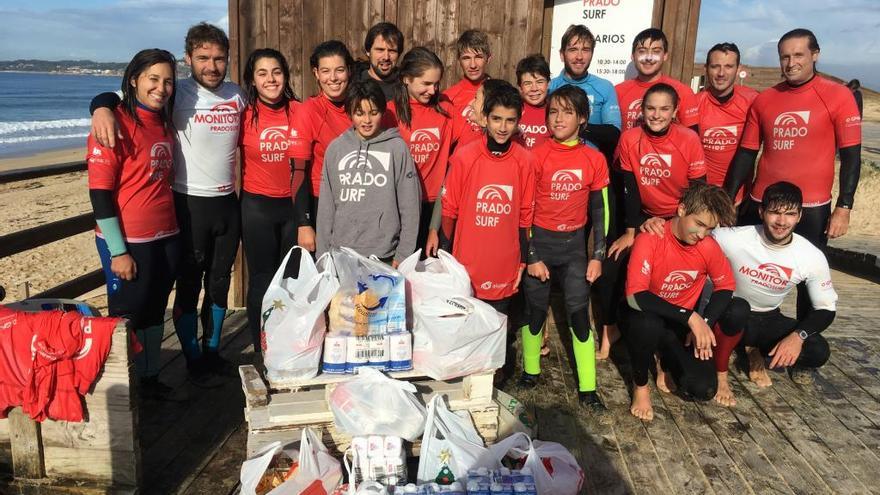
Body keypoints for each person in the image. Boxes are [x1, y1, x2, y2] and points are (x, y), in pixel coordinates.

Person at [90, 23, 246, 372]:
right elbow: (125, 99)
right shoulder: (176, 94)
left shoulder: (239, 95)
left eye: (219, 59)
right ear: (189, 58)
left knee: (219, 284)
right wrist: (100, 107)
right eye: (203, 58)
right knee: (188, 287)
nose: (212, 66)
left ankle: (212, 352)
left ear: (228, 60)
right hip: (188, 205)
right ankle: (190, 360)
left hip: (226, 204)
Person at [723, 28, 861, 319]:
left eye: (798, 54)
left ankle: (801, 340)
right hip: (762, 203)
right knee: (746, 272)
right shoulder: (765, 100)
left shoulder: (838, 96)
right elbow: (747, 153)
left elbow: (851, 156)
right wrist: (728, 198)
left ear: (815, 54)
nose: (791, 62)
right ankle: (745, 338)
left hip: (810, 207)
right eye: (784, 56)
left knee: (808, 281)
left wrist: (844, 207)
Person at [87, 49, 180, 398]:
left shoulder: (164, 120)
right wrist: (118, 250)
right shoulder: (113, 123)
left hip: (167, 234)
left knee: (156, 310)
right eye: (153, 79)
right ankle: (123, 389)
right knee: (127, 317)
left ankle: (151, 379)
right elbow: (99, 195)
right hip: (129, 239)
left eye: (168, 80)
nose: (161, 87)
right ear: (134, 80)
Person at [621, 183, 747, 421]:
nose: (702, 234)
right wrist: (691, 317)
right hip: (647, 316)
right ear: (681, 210)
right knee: (647, 324)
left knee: (702, 389)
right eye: (698, 224)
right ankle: (640, 386)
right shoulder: (651, 237)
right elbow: (635, 296)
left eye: (709, 228)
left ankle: (663, 360)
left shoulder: (707, 246)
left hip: (679, 327)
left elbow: (726, 286)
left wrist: (705, 322)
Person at [599, 84, 707, 362]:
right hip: (644, 216)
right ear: (642, 110)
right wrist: (631, 231)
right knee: (611, 266)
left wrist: (675, 225)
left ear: (675, 111)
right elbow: (629, 188)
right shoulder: (630, 138)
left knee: (676, 272)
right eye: (650, 108)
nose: (656, 115)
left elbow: (698, 192)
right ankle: (611, 329)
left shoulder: (688, 140)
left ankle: (673, 337)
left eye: (663, 109)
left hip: (680, 218)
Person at [519, 85, 609, 413]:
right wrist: (530, 256)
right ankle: (531, 372)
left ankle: (588, 388)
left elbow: (601, 211)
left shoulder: (593, 158)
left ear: (582, 118)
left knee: (577, 315)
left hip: (574, 250)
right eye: (553, 111)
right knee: (535, 312)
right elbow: (523, 209)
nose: (558, 118)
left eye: (567, 112)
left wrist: (598, 256)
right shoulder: (535, 155)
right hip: (540, 245)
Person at [439, 81, 535, 382]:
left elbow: (525, 215)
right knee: (466, 321)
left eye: (510, 120)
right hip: (467, 259)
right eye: (497, 119)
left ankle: (495, 376)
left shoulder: (524, 161)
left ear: (518, 122)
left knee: (497, 322)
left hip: (504, 260)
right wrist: (446, 256)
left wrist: (522, 260)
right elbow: (449, 210)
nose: (503, 127)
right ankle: (464, 374)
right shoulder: (466, 156)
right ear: (485, 118)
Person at [710, 181, 837, 406]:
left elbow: (826, 309)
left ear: (799, 216)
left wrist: (798, 336)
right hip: (731, 311)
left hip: (768, 317)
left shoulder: (810, 255)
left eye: (789, 214)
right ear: (761, 212)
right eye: (774, 212)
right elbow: (691, 232)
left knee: (818, 351)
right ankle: (739, 349)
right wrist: (655, 225)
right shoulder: (732, 237)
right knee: (736, 310)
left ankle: (750, 349)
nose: (781, 221)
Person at [315, 79, 421, 264]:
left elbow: (410, 205)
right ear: (349, 113)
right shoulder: (336, 148)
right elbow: (326, 206)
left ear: (382, 111)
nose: (367, 120)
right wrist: (322, 255)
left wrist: (404, 254)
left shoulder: (397, 148)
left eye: (373, 113)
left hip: (384, 255)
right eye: (359, 113)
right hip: (341, 254)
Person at [238, 48, 301, 351]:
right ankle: (260, 348)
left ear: (285, 75)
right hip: (257, 207)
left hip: (292, 208)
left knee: (291, 282)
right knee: (261, 281)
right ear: (252, 79)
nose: (271, 79)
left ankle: (287, 345)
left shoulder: (300, 111)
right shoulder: (242, 114)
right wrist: (103, 104)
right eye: (262, 73)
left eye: (276, 72)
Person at [383, 47, 455, 254]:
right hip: (399, 204)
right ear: (406, 79)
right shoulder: (389, 112)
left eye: (436, 84)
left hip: (435, 205)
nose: (432, 90)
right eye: (426, 83)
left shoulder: (446, 110)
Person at [289, 40, 356, 253]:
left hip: (359, 203)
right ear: (316, 73)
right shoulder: (308, 111)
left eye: (339, 70)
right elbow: (298, 171)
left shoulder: (362, 106)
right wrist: (304, 223)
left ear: (349, 71)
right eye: (326, 71)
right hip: (323, 204)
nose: (333, 78)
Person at [696, 43, 758, 205]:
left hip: (739, 198)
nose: (721, 73)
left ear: (738, 69)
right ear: (706, 68)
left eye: (728, 66)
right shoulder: (694, 104)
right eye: (715, 66)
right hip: (702, 196)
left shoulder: (753, 101)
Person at [548, 24, 622, 156]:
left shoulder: (604, 87)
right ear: (561, 54)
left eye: (586, 50)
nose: (579, 57)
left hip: (590, 165)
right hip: (553, 162)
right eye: (573, 50)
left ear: (592, 54)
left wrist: (576, 125)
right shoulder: (550, 87)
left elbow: (613, 133)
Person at [615, 28, 700, 132]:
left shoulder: (682, 91)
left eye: (656, 51)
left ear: (665, 56)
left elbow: (691, 139)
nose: (649, 57)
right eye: (642, 51)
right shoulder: (617, 91)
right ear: (633, 56)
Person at [444, 29, 493, 148]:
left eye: (478, 57)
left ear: (489, 58)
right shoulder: (448, 97)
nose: (473, 65)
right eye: (466, 58)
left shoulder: (501, 93)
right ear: (459, 60)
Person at [355, 22, 404, 100]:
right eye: (380, 50)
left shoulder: (405, 85)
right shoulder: (355, 83)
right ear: (368, 51)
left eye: (392, 51)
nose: (386, 57)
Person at [514, 54, 551, 150]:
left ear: (548, 83)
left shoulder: (554, 111)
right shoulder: (512, 109)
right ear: (520, 87)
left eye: (540, 82)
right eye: (527, 83)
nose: (534, 89)